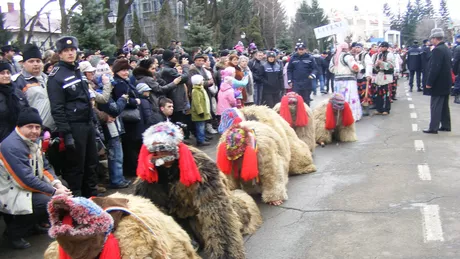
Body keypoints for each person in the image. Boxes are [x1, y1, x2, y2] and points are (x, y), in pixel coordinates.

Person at [135, 122, 261, 259]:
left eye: (164, 150)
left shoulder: (202, 168)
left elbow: (217, 214)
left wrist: (225, 254)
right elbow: (150, 213)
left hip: (199, 213)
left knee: (223, 220)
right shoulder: (147, 176)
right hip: (176, 219)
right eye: (155, 152)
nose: (160, 155)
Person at [0, 107, 71, 249]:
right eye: (29, 127)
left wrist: (57, 184)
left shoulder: (33, 140)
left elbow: (44, 167)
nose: (34, 131)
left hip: (23, 185)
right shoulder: (12, 146)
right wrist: (53, 191)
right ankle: (13, 233)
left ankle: (32, 225)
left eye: (37, 127)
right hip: (8, 190)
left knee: (63, 184)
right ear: (19, 127)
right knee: (47, 201)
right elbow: (24, 180)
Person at [47, 36, 99, 197]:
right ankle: (77, 205)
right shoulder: (56, 76)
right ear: (60, 54)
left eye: (72, 50)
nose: (70, 53)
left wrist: (93, 122)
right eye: (66, 51)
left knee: (91, 165)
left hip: (87, 124)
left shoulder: (78, 71)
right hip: (74, 127)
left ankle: (93, 200)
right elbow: (57, 108)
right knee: (76, 169)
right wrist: (66, 134)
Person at [423, 28, 452, 134]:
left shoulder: (437, 50)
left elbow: (435, 68)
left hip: (438, 83)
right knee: (444, 105)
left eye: (432, 39)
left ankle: (433, 127)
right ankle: (446, 125)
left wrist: (429, 82)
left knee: (435, 105)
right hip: (446, 81)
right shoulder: (446, 48)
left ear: (435, 39)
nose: (431, 41)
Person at [329, 42, 362, 121]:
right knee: (350, 98)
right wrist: (360, 66)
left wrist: (338, 71)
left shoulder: (334, 57)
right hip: (348, 81)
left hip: (338, 82)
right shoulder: (347, 56)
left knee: (339, 99)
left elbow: (331, 68)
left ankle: (340, 117)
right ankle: (351, 116)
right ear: (346, 48)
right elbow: (355, 67)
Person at [0, 61, 29, 142]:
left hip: (19, 137)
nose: (6, 76)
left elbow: (27, 111)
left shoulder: (17, 92)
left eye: (8, 72)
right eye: (2, 73)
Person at [371, 42, 396, 115]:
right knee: (379, 93)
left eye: (382, 47)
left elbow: (391, 66)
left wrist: (382, 63)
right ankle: (379, 109)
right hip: (380, 75)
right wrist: (377, 65)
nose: (380, 48)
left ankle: (386, 109)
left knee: (386, 93)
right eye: (380, 47)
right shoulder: (379, 54)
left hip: (386, 75)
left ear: (386, 47)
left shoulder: (390, 54)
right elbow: (376, 66)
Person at [191, 75, 211, 146]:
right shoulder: (195, 91)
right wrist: (200, 111)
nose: (203, 81)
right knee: (200, 126)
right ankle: (200, 140)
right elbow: (197, 103)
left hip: (203, 110)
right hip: (199, 113)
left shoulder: (201, 89)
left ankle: (203, 137)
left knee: (202, 125)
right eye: (202, 80)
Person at [452, 35, 460, 103]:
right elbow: (456, 61)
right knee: (458, 84)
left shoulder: (457, 48)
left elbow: (455, 61)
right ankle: (456, 97)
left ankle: (457, 97)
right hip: (458, 70)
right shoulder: (457, 48)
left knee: (458, 83)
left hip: (458, 69)